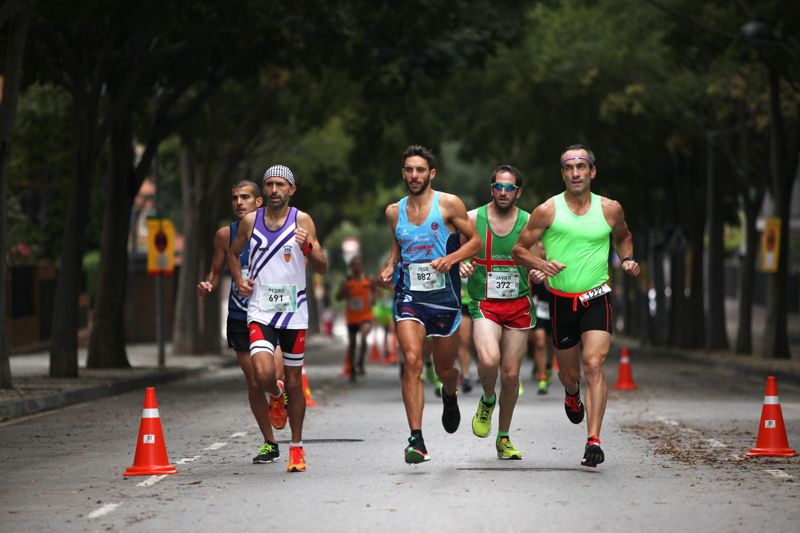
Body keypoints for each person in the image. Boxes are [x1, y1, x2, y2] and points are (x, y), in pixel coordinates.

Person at [512, 144, 641, 468]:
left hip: (597, 297)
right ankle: (572, 394)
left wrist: (627, 259)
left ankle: (593, 439)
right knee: (570, 374)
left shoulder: (609, 209)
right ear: (563, 174)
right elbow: (519, 249)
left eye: (581, 166)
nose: (575, 173)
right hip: (561, 301)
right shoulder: (548, 211)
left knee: (594, 363)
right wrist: (540, 264)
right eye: (569, 168)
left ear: (592, 172)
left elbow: (625, 236)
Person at [378, 145, 481, 464]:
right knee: (411, 360)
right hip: (409, 297)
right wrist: (390, 264)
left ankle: (450, 394)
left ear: (431, 173)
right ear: (403, 173)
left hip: (445, 300)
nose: (414, 175)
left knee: (445, 369)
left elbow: (475, 241)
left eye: (420, 170)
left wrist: (450, 259)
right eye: (409, 169)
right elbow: (397, 244)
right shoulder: (394, 211)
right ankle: (416, 439)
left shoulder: (449, 204)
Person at [229, 164, 328, 473]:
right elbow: (234, 254)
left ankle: (296, 449)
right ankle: (275, 394)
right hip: (259, 310)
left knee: (296, 382)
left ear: (291, 190)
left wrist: (308, 246)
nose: (273, 190)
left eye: (280, 185)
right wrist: (240, 279)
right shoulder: (249, 221)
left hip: (294, 313)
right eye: (269, 184)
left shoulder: (302, 220)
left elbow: (323, 266)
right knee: (261, 376)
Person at [197, 180, 285, 465]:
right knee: (254, 382)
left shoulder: (277, 228)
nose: (239, 203)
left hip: (274, 314)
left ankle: (277, 394)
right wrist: (209, 284)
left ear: (258, 202)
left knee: (269, 374)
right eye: (234, 198)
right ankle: (270, 443)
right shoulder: (225, 235)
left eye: (245, 197)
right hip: (239, 317)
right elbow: (214, 271)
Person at [460, 165, 534, 460]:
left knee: (512, 373)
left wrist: (540, 272)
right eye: (498, 187)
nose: (503, 192)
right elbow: (454, 249)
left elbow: (538, 257)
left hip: (518, 304)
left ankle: (503, 437)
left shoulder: (529, 222)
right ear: (492, 189)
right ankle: (488, 398)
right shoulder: (471, 219)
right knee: (489, 361)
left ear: (518, 192)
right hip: (484, 302)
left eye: (509, 188)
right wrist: (460, 264)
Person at [336, 255, 375, 380]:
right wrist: (344, 292)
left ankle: (361, 363)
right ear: (351, 267)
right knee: (352, 343)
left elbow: (374, 291)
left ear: (362, 265)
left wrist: (372, 299)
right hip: (352, 316)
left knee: (363, 336)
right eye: (355, 264)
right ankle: (352, 369)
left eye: (359, 264)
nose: (357, 266)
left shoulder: (368, 280)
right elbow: (338, 297)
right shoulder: (347, 282)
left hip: (366, 314)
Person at [529, 243, 554, 395]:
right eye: (538, 247)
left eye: (543, 247)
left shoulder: (556, 263)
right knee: (539, 342)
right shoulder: (532, 264)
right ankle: (542, 376)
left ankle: (549, 364)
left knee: (552, 342)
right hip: (538, 308)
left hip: (554, 307)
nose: (541, 250)